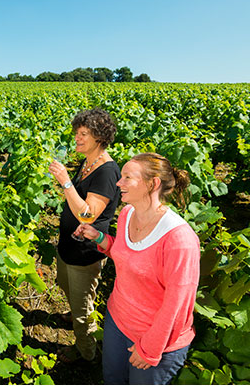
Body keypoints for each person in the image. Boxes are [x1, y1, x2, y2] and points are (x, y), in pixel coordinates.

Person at [74, 152, 200, 384]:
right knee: (112, 380)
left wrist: (150, 349)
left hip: (154, 339)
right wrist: (99, 237)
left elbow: (178, 305)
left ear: (153, 184)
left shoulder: (179, 240)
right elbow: (125, 255)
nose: (118, 183)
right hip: (117, 321)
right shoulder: (127, 213)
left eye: (127, 178)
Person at [48, 108, 121, 362]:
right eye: (76, 133)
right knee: (67, 287)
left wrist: (65, 182)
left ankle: (86, 352)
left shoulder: (107, 172)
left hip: (85, 253)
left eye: (83, 134)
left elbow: (88, 216)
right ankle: (74, 312)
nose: (76, 138)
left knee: (83, 311)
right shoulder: (88, 162)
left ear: (99, 138)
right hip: (69, 246)